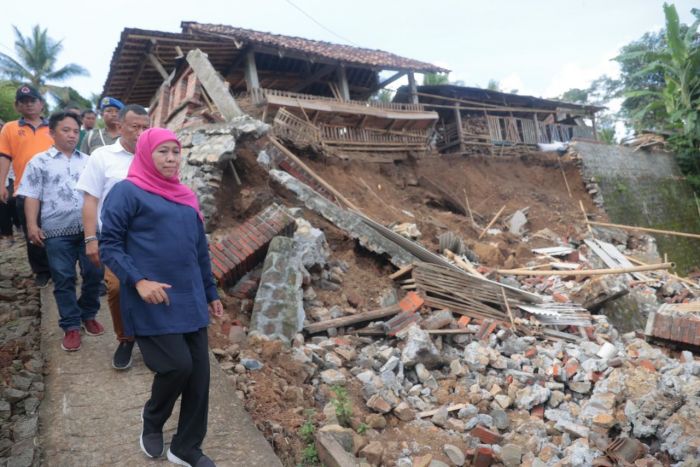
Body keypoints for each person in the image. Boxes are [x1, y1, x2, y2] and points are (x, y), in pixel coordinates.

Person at [100, 128, 222, 466]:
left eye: (175, 152)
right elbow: (109, 244)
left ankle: (185, 447)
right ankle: (153, 419)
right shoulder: (127, 192)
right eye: (162, 152)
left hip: (191, 297)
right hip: (151, 299)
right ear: (145, 155)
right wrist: (138, 281)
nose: (171, 159)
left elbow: (200, 251)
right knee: (176, 366)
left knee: (199, 376)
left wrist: (211, 292)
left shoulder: (186, 196)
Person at [16, 112, 103, 351]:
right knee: (64, 278)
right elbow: (31, 195)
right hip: (56, 232)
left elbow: (98, 194)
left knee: (95, 274)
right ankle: (71, 325)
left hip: (89, 230)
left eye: (75, 131)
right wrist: (32, 225)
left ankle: (88, 314)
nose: (72, 135)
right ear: (52, 133)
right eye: (66, 130)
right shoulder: (38, 162)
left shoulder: (88, 161)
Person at [76, 104, 149, 369]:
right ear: (120, 127)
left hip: (148, 240)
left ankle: (153, 337)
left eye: (145, 127)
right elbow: (90, 199)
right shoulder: (102, 156)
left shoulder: (153, 156)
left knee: (151, 286)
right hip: (113, 240)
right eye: (135, 127)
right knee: (118, 288)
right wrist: (90, 238)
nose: (141, 133)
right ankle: (126, 338)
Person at [0, 84, 53, 287]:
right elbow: (5, 157)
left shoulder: (53, 126)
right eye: (23, 102)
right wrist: (1, 184)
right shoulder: (10, 128)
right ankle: (41, 270)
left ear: (41, 104)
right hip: (26, 189)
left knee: (59, 230)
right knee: (33, 231)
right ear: (17, 106)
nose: (29, 105)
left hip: (54, 188)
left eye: (32, 100)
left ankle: (61, 268)